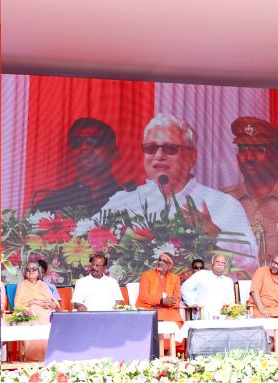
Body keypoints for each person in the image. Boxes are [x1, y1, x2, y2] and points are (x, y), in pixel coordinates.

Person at [90, 114, 257, 273]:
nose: (159, 155)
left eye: (170, 148)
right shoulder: (124, 201)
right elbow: (85, 243)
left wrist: (214, 234)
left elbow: (251, 261)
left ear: (192, 156)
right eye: (151, 148)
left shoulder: (222, 203)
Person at [33, 118, 124, 215]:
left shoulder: (132, 200)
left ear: (114, 152)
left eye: (94, 141)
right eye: (77, 142)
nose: (84, 147)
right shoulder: (48, 206)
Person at [223, 117, 278, 276]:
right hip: (232, 290)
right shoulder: (223, 200)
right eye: (242, 148)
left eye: (259, 149)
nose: (248, 157)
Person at [15, 259, 59, 361]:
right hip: (29, 313)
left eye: (34, 269)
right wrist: (34, 302)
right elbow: (18, 305)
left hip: (45, 312)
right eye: (28, 269)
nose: (31, 271)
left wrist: (51, 304)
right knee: (35, 314)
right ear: (24, 272)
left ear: (39, 272)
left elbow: (55, 303)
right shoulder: (21, 285)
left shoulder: (43, 285)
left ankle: (46, 357)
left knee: (46, 316)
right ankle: (31, 358)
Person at [182, 254, 236, 319]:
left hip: (222, 318)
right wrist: (192, 304)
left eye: (223, 263)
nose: (220, 264)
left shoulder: (228, 281)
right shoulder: (201, 274)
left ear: (225, 266)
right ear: (212, 264)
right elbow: (185, 287)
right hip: (203, 316)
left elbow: (231, 301)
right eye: (217, 261)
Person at [136, 252, 183, 322]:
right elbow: (143, 297)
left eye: (164, 261)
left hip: (168, 310)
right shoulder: (146, 275)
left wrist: (170, 303)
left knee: (177, 322)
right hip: (150, 309)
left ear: (169, 265)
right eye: (159, 259)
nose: (160, 262)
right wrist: (161, 301)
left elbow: (177, 300)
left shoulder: (175, 278)